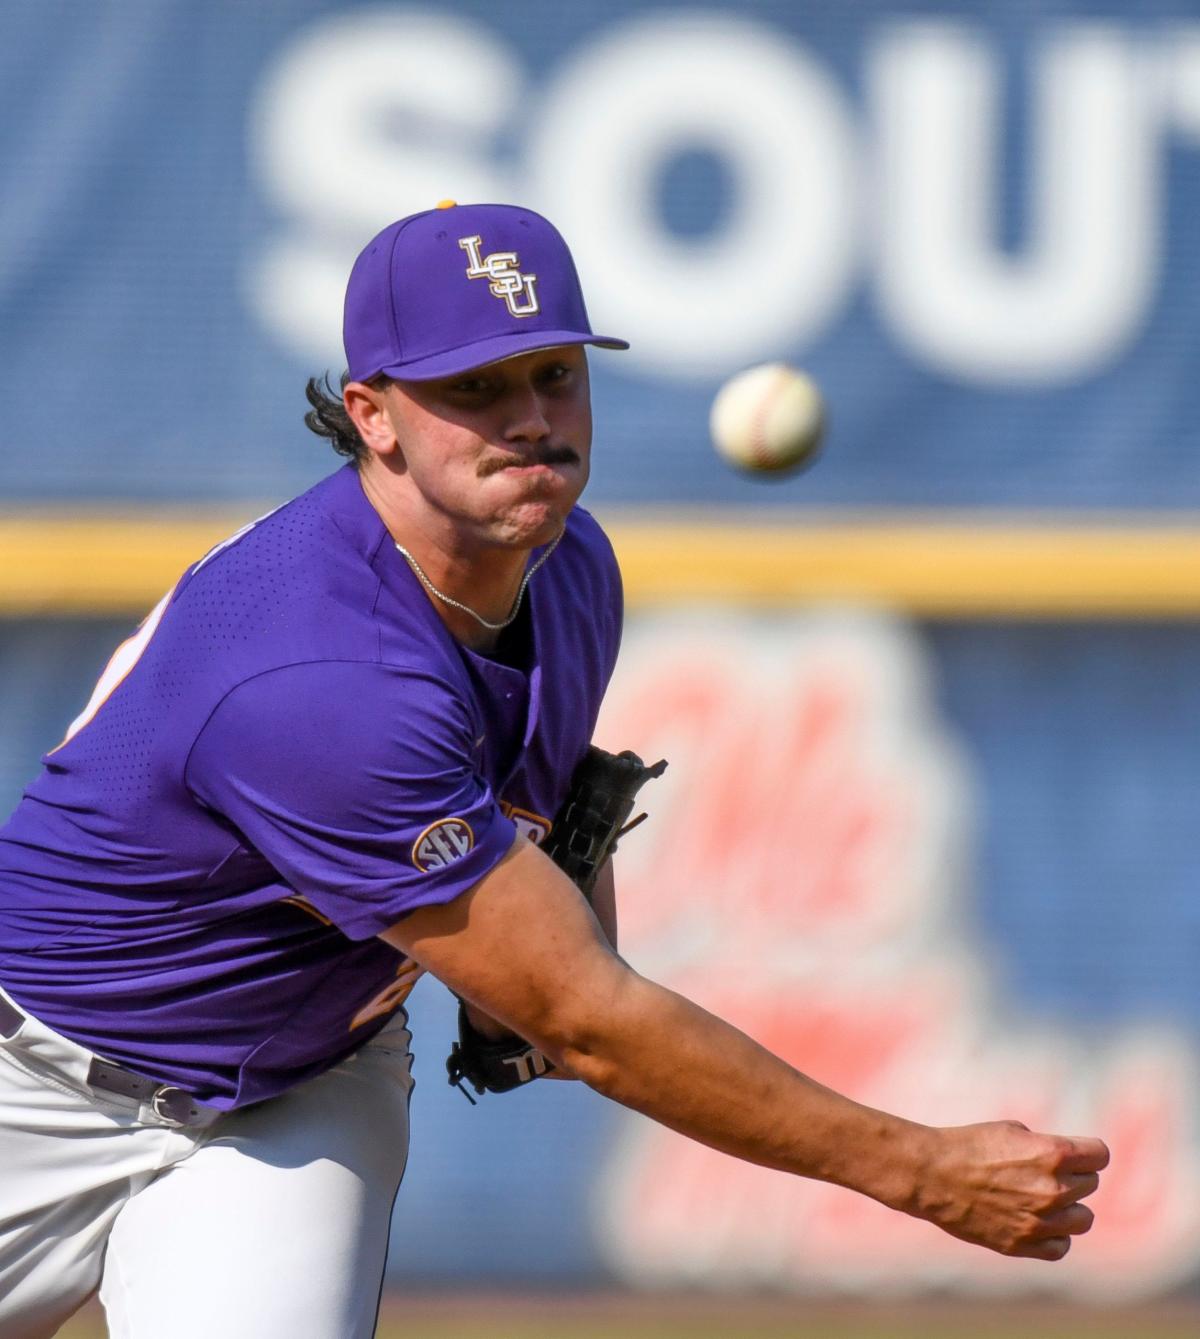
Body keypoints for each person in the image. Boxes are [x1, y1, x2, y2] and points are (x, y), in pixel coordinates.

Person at [0, 201, 1107, 1339]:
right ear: (373, 416)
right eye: (475, 388)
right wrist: (916, 1167)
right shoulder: (319, 674)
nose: (531, 420)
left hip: (287, 1104)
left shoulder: (567, 567)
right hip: (28, 1087)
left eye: (554, 375)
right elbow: (584, 1018)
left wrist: (547, 926)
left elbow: (536, 837)